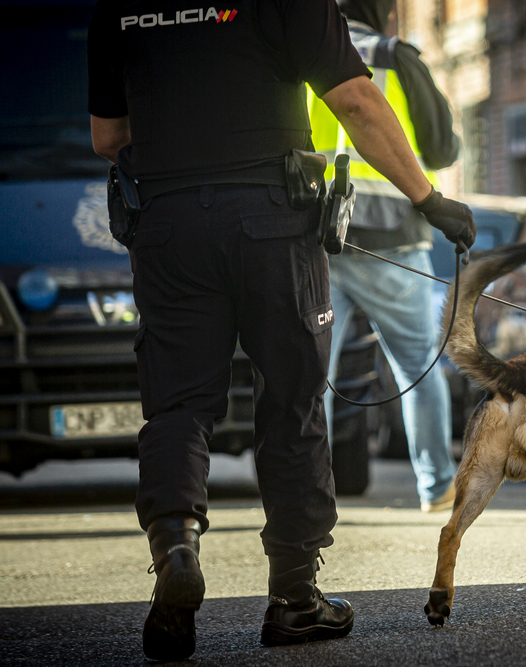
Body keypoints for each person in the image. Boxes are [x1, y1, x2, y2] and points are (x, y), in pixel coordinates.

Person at [86, 1, 475, 660]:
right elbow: (356, 100)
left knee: (178, 403)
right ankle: (295, 598)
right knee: (292, 401)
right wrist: (429, 200)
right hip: (272, 218)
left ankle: (177, 548)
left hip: (169, 222)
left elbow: (107, 136)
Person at [312, 0, 459, 513]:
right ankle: (437, 485)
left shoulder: (297, 50)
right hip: (393, 239)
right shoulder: (394, 55)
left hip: (314, 239)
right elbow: (441, 151)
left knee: (311, 374)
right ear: (385, 11)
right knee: (418, 365)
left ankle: (309, 492)